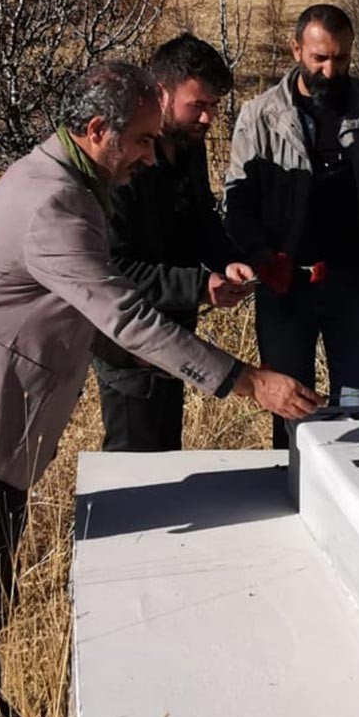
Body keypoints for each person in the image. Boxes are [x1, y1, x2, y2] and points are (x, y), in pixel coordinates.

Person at [0, 61, 320, 717]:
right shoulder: (53, 206)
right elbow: (123, 316)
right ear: (96, 133)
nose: (152, 157)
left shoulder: (72, 182)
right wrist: (246, 380)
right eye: (142, 141)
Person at [224, 3, 359, 447]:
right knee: (290, 412)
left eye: (341, 58)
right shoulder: (259, 116)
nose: (330, 70)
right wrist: (260, 256)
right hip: (285, 287)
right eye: (319, 58)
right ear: (296, 48)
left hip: (354, 283)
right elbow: (236, 202)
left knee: (357, 412)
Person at [94, 34, 256, 453]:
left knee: (165, 458)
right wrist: (200, 287)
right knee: (134, 467)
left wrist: (229, 261)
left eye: (214, 107)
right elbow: (112, 270)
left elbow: (200, 220)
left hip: (172, 339)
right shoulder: (120, 160)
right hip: (127, 345)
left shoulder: (188, 147)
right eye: (197, 105)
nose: (207, 119)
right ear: (161, 94)